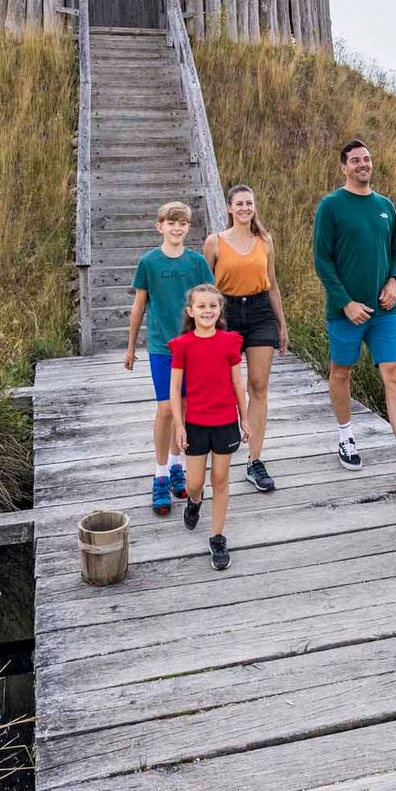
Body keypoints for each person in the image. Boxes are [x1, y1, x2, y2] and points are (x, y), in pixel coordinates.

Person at [313, 139, 396, 483]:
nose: (363, 165)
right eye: (355, 161)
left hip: (384, 311)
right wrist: (346, 302)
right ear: (344, 168)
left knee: (394, 372)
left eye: (366, 159)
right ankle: (346, 437)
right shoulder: (331, 206)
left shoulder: (385, 205)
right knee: (341, 372)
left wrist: (395, 282)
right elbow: (322, 261)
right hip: (346, 312)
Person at [123, 201, 215, 516]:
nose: (177, 229)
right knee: (165, 409)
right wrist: (131, 345)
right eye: (171, 223)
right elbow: (139, 306)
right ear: (159, 226)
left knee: (185, 409)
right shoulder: (148, 262)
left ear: (189, 228)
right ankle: (160, 474)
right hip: (163, 347)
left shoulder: (197, 263)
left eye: (183, 224)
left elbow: (210, 304)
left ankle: (177, 465)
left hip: (195, 346)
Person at [203, 183, 287, 493]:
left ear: (254, 207)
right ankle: (218, 450)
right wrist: (205, 327)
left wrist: (282, 324)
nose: (244, 208)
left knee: (258, 386)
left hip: (261, 312)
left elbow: (273, 285)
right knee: (224, 386)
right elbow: (206, 290)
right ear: (229, 208)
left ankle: (254, 461)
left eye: (249, 203)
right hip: (226, 314)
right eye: (239, 203)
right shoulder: (215, 243)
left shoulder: (264, 241)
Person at [169, 283, 247, 571]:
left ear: (220, 310)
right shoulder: (182, 345)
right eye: (201, 306)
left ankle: (217, 537)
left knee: (222, 479)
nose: (207, 311)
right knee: (195, 483)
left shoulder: (230, 342)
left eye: (213, 306)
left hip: (225, 421)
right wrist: (179, 426)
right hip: (195, 424)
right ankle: (194, 502)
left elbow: (238, 382)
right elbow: (175, 389)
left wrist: (245, 417)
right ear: (191, 311)